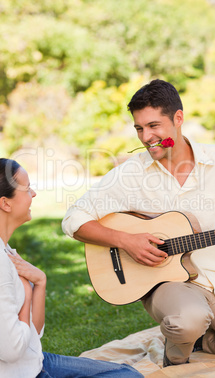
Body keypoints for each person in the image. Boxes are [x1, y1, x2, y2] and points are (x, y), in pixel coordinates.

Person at [62, 79, 215, 366]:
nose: (146, 137)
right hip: (165, 284)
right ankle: (179, 349)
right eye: (139, 128)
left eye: (154, 126)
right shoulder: (131, 173)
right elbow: (74, 219)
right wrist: (127, 241)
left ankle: (205, 341)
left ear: (178, 119)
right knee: (188, 319)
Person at [0, 158, 143, 378]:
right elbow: (12, 351)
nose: (34, 194)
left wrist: (40, 281)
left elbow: (34, 334)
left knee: (128, 373)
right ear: (6, 203)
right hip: (20, 373)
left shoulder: (7, 251)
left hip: (36, 361)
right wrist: (27, 294)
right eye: (28, 189)